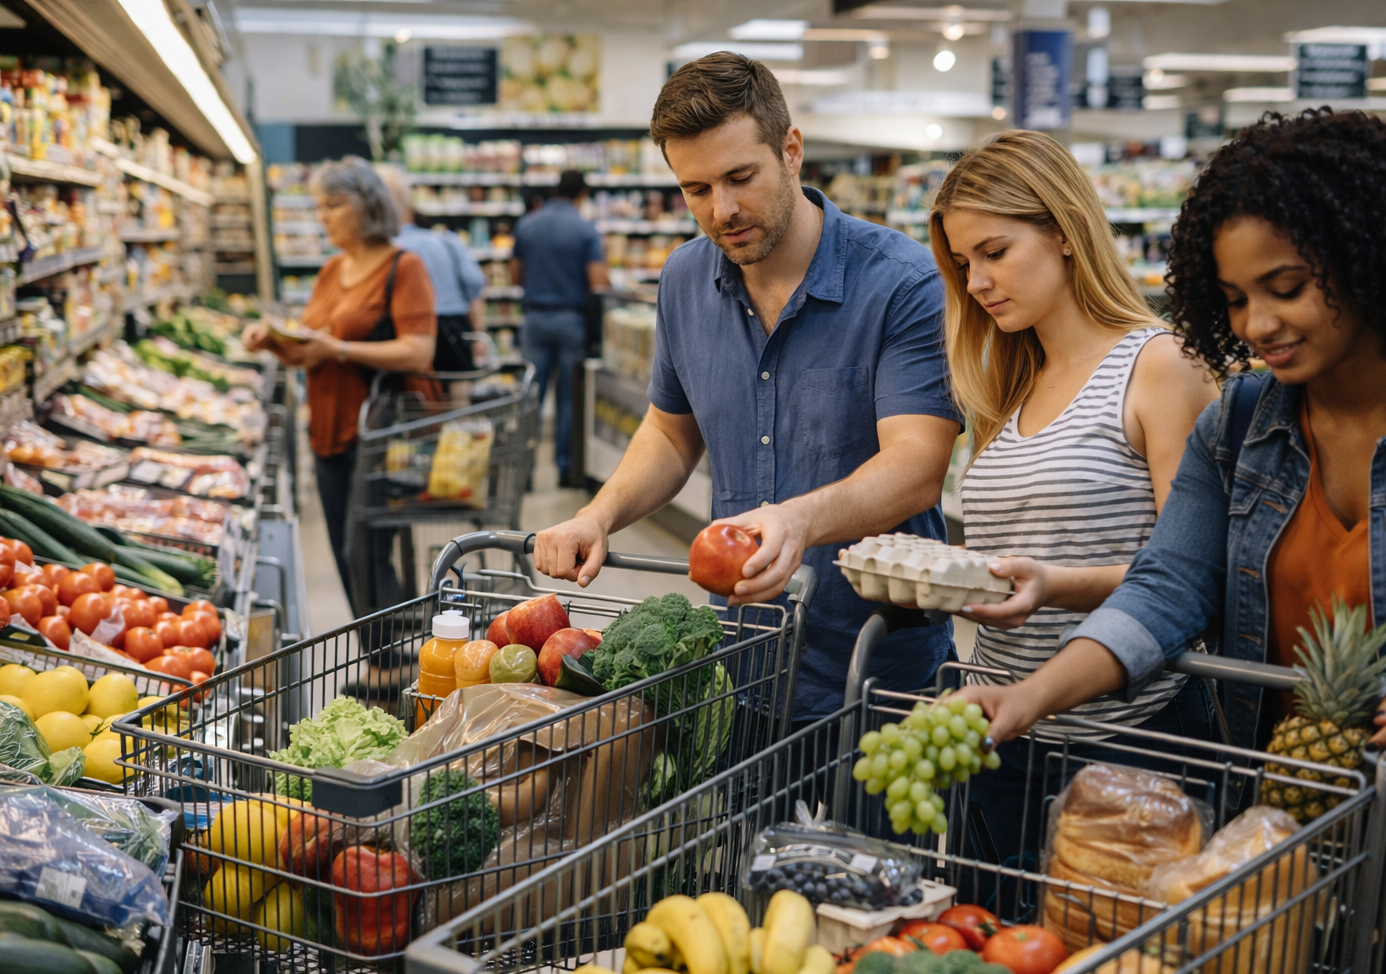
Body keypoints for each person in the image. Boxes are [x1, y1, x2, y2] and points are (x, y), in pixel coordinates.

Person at [953, 110, 1386, 974]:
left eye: (1286, 287)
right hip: (1288, 827)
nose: (1260, 325)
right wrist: (1029, 696)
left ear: (1375, 260)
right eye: (1237, 299)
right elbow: (1166, 590)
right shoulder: (1243, 428)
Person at [532, 53, 963, 728]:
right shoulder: (682, 280)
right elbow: (671, 432)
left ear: (791, 151)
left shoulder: (901, 284)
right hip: (736, 658)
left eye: (740, 177)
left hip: (873, 669)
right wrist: (599, 514)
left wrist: (797, 521)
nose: (721, 210)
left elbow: (916, 470)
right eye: (695, 189)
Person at [929, 130, 1220, 858]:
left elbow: (1193, 575)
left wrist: (1054, 586)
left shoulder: (1159, 366)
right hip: (1003, 735)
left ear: (1062, 232)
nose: (978, 283)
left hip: (1129, 742)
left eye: (995, 253)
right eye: (964, 264)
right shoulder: (1007, 385)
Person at [243, 156, 437, 630]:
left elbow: (418, 350)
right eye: (319, 206)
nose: (323, 216)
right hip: (328, 428)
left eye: (334, 204)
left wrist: (343, 348)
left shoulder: (403, 267)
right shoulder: (331, 271)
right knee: (343, 547)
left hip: (383, 433)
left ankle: (385, 657)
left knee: (364, 548)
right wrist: (274, 341)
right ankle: (390, 645)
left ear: (368, 205)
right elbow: (313, 349)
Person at [510, 169, 609, 486]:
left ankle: (524, 473)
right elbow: (597, 281)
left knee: (530, 397)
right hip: (571, 320)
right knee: (569, 398)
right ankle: (567, 469)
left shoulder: (527, 224)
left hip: (535, 319)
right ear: (581, 195)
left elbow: (515, 276)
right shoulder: (585, 229)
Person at [377, 164, 489, 373]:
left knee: (412, 401)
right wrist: (479, 337)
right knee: (457, 401)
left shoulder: (381, 251)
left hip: (401, 338)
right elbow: (475, 291)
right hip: (453, 333)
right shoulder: (448, 242)